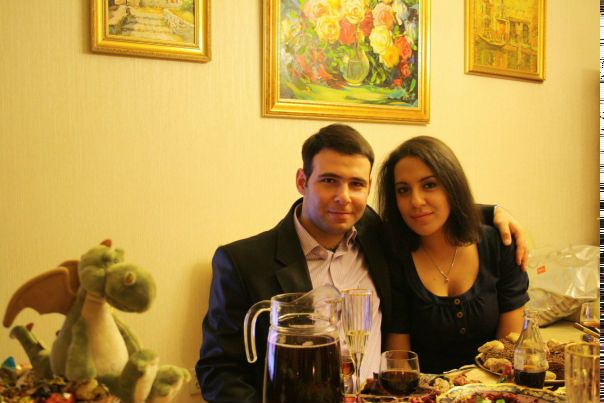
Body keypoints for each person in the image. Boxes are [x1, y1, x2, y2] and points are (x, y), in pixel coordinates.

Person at [196, 124, 527, 403]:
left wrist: (495, 211)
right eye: (329, 180)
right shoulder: (243, 262)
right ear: (302, 181)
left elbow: (432, 212)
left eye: (356, 184)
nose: (344, 197)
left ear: (368, 187)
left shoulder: (377, 236)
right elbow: (218, 371)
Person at [378, 136, 529, 374]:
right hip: (424, 390)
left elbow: (508, 348)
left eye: (429, 185)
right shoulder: (394, 255)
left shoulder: (498, 244)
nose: (416, 201)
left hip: (493, 386)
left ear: (452, 186)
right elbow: (399, 362)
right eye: (403, 190)